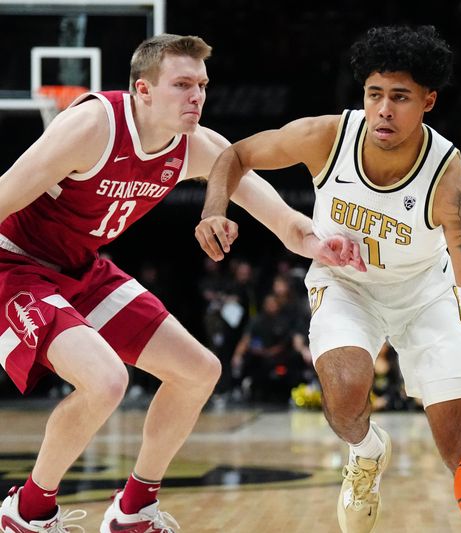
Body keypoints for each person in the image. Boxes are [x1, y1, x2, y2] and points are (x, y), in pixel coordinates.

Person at [0, 34, 363, 533]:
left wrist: (320, 241)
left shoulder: (198, 148)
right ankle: (28, 513)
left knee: (198, 370)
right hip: (14, 263)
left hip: (80, 266)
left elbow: (280, 218)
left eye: (202, 85)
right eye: (183, 84)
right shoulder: (91, 126)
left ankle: (132, 513)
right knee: (106, 381)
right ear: (143, 90)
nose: (197, 96)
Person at [196, 25, 461, 533]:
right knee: (347, 392)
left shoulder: (451, 181)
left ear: (428, 101)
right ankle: (367, 454)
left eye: (400, 97)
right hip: (347, 284)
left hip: (426, 296)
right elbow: (233, 155)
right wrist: (213, 210)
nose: (384, 110)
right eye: (375, 95)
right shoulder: (328, 137)